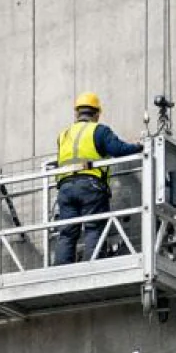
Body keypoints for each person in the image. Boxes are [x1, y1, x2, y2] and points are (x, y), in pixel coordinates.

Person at [54, 92, 142, 265]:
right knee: (94, 227)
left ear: (77, 113)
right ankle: (94, 266)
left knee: (67, 232)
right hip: (90, 185)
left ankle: (61, 269)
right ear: (96, 114)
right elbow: (118, 149)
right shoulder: (99, 130)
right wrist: (138, 146)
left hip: (65, 188)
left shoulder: (63, 135)